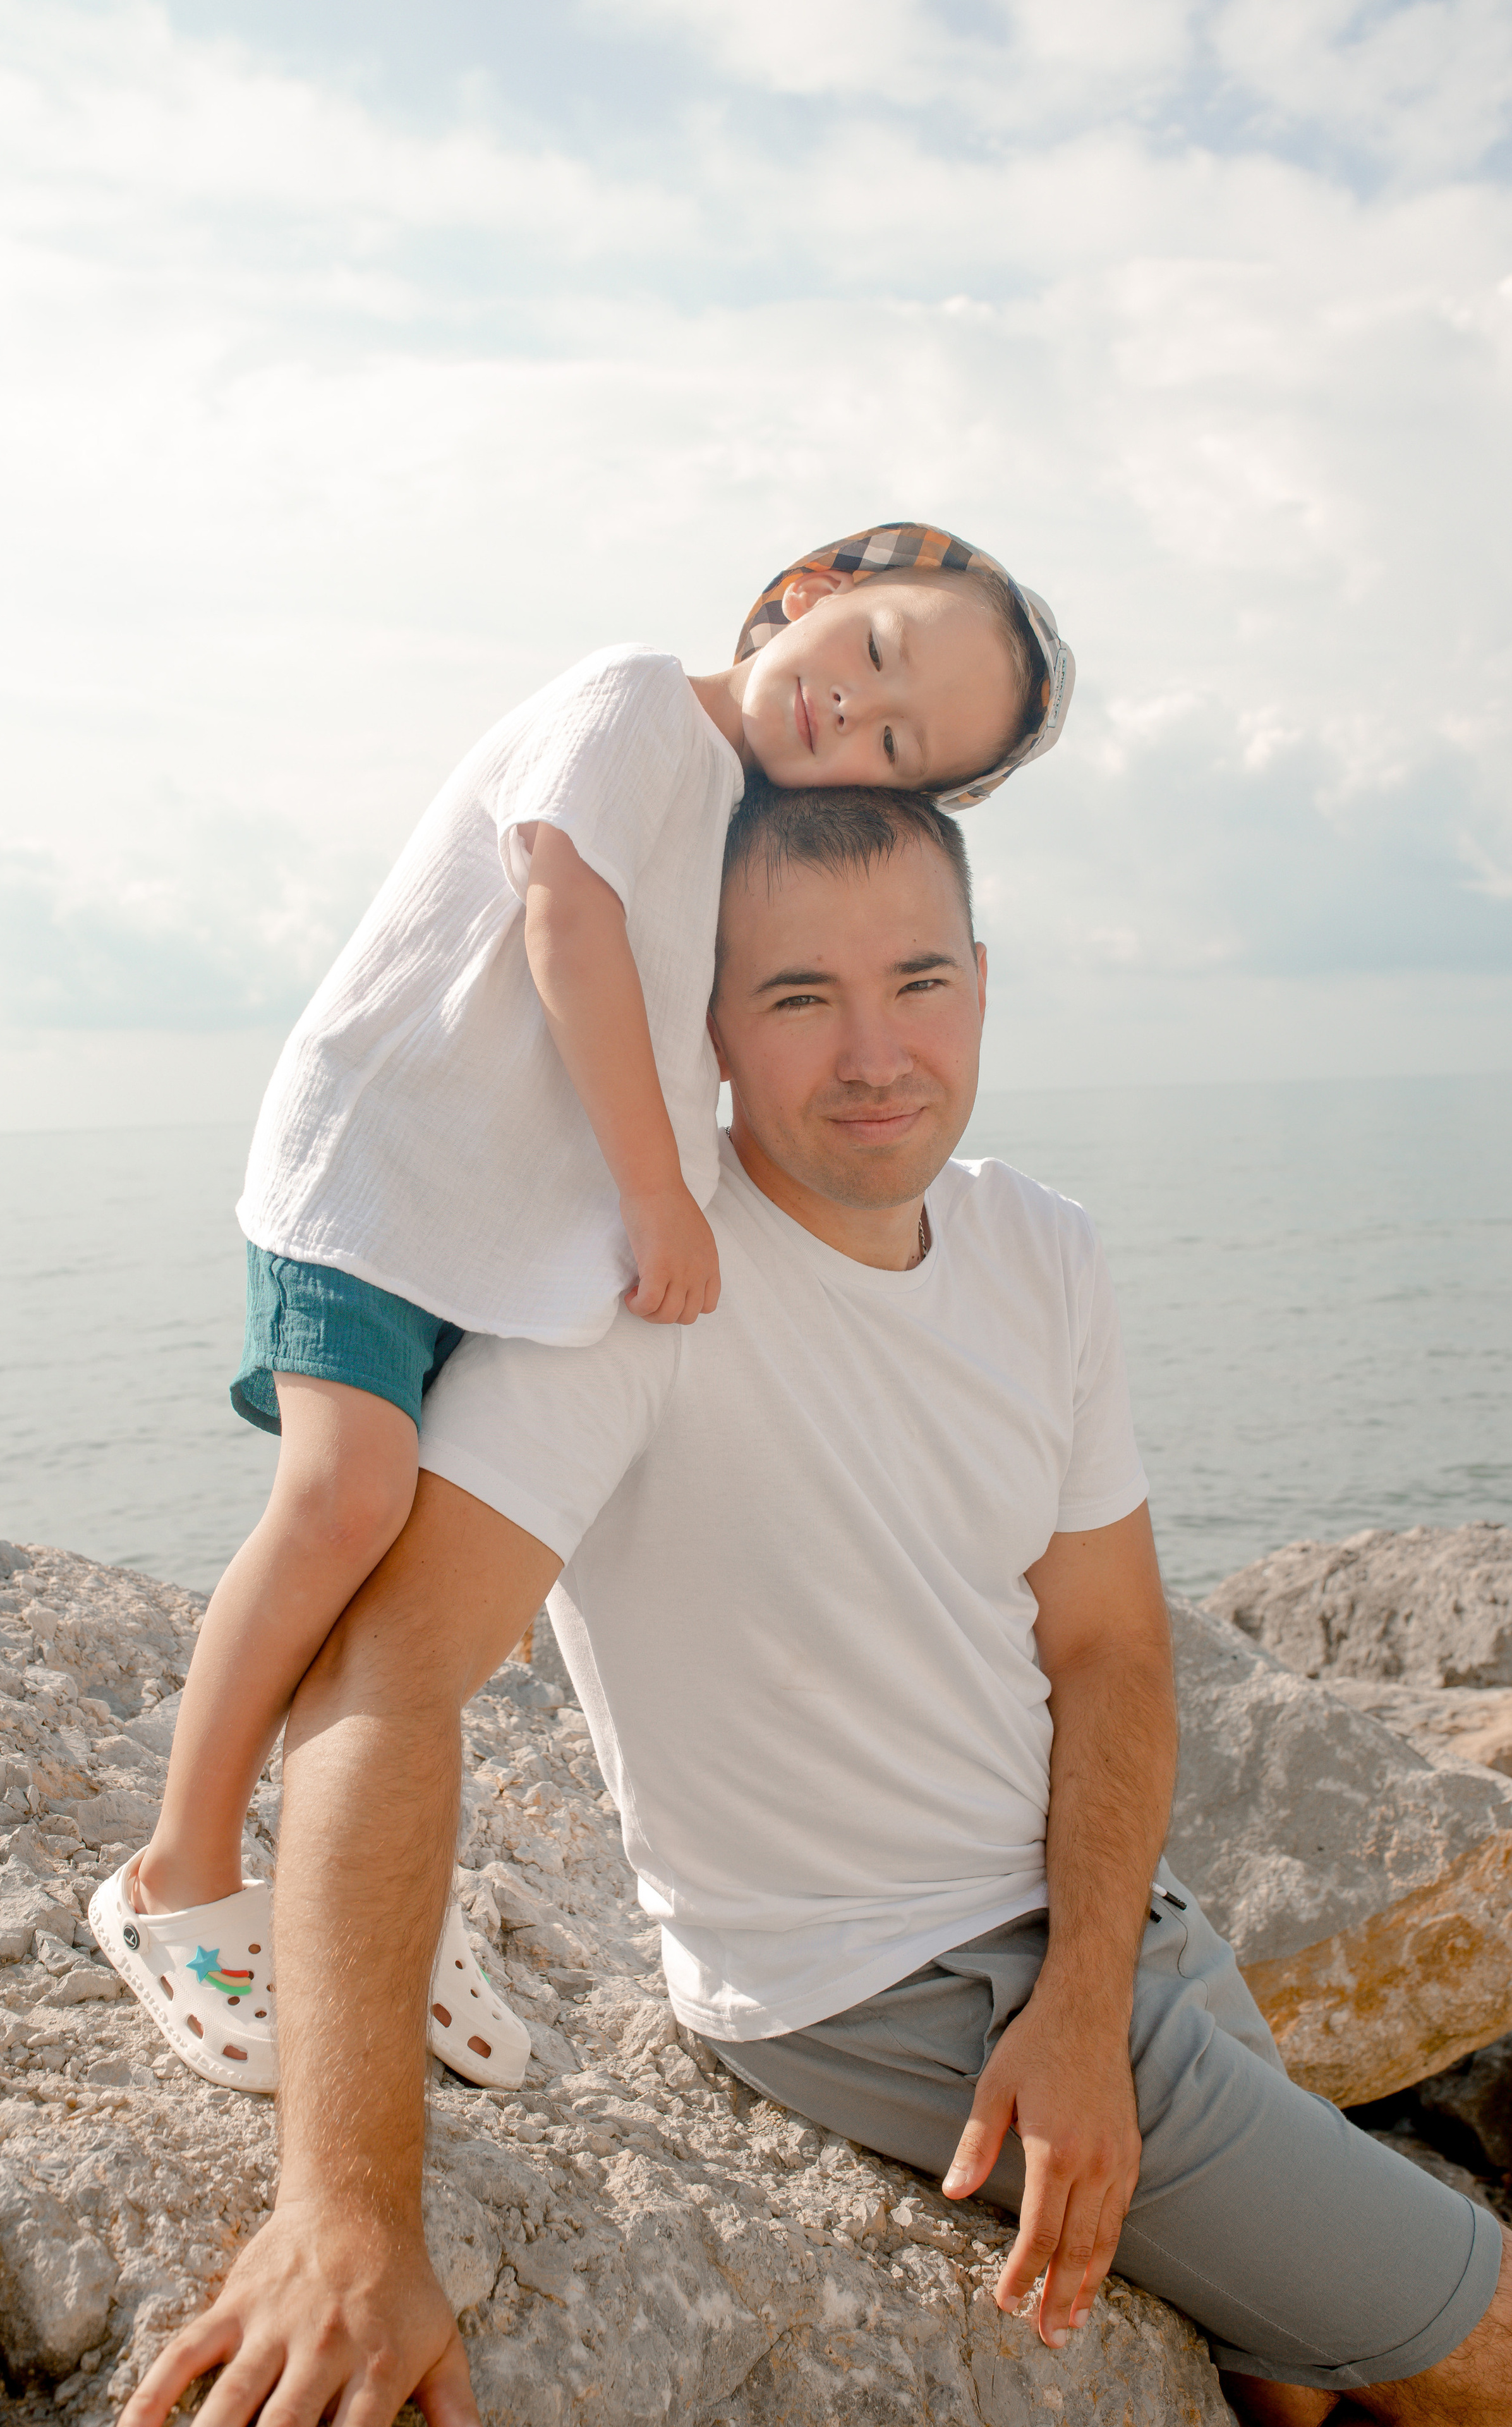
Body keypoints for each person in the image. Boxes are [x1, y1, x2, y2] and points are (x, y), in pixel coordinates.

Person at [121, 780, 1511, 2427]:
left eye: (917, 981)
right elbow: (385, 1682)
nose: (873, 1053)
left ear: (979, 984)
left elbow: (1107, 1643)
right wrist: (347, 2207)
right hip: (888, 1993)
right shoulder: (632, 1295)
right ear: (703, 1024)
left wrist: (1088, 2000)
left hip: (1122, 1940)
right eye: (797, 997)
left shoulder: (1038, 1247)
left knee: (1296, 2393)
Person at [89, 523, 1075, 2096]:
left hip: (503, 1227)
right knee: (343, 1502)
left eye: (898, 748)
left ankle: (365, 1894)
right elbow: (564, 919)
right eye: (876, 654)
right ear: (812, 591)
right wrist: (657, 1198)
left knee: (438, 1574)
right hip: (379, 1178)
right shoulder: (634, 704)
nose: (854, 712)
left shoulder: (729, 823)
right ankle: (176, 1873)